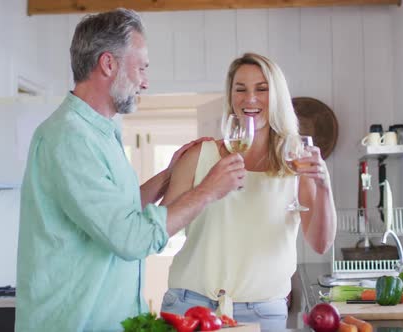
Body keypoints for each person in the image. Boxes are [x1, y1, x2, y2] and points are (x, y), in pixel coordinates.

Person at [14, 9, 246, 332]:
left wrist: (168, 175)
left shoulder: (101, 132)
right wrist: (208, 190)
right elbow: (130, 238)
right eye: (141, 68)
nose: (146, 82)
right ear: (108, 64)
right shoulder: (68, 138)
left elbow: (116, 214)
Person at [159, 53, 337, 330]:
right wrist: (207, 189)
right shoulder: (199, 155)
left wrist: (324, 187)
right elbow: (159, 230)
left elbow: (320, 243)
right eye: (240, 89)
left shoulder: (295, 162)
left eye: (262, 89)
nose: (250, 99)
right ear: (231, 97)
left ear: (277, 96)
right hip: (189, 305)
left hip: (263, 313)